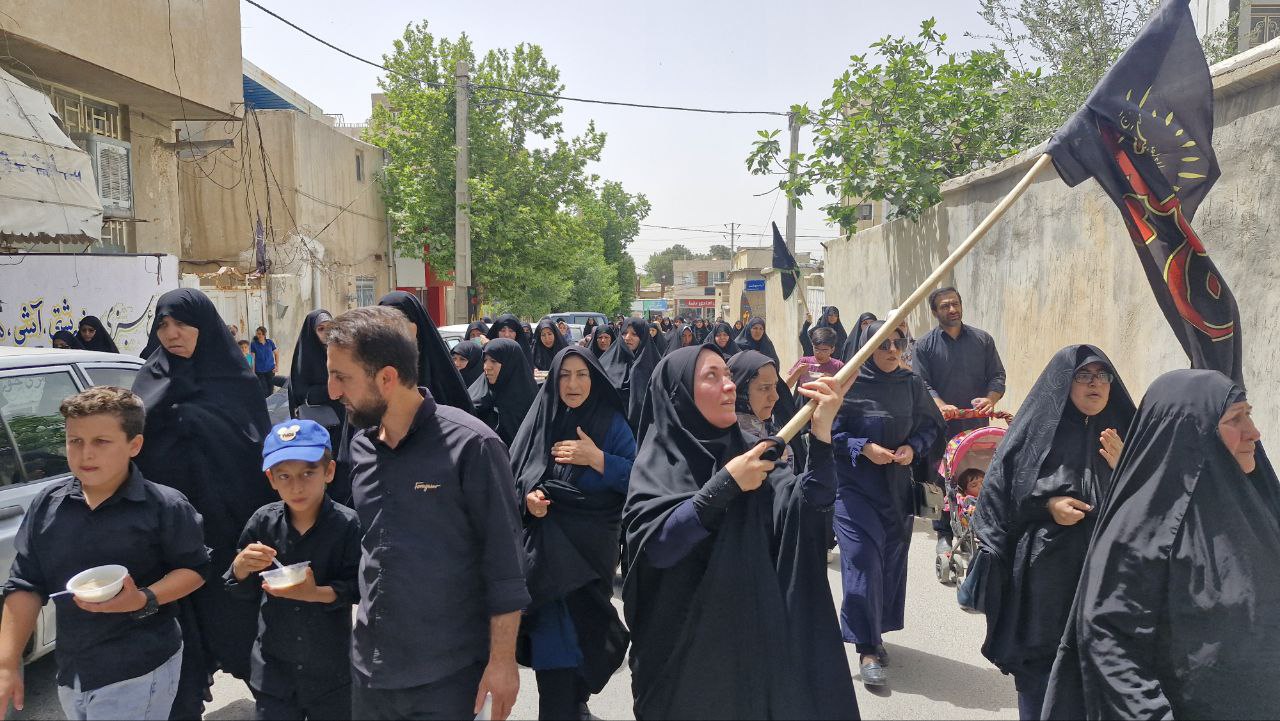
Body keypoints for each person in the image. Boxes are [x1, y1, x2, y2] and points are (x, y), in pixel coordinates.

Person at [621, 344, 859, 719]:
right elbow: (659, 548)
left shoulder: (754, 452)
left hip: (750, 650)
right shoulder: (656, 465)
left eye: (728, 375)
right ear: (679, 394)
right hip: (679, 661)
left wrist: (822, 432)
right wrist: (724, 485)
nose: (729, 385)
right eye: (711, 377)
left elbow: (806, 511)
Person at [324, 306, 530, 721]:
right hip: (371, 670)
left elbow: (506, 566)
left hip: (447, 677)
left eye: (341, 377)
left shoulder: (472, 446)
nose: (332, 391)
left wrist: (503, 661)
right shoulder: (361, 447)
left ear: (386, 378)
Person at [1043, 369, 1280, 720]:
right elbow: (1111, 647)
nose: (1253, 432)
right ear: (1192, 435)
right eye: (1235, 419)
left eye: (1249, 413)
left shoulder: (1259, 511)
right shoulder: (1140, 534)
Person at [0, 387, 208, 721]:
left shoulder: (164, 506)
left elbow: (195, 569)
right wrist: (7, 663)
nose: (86, 454)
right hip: (73, 670)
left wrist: (142, 598)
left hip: (138, 670)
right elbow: (26, 583)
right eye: (75, 441)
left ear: (134, 445)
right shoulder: (48, 505)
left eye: (101, 442)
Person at [971, 346, 1135, 719]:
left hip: (1106, 581)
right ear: (1064, 382)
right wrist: (1047, 507)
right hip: (1043, 581)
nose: (1095, 384)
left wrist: (1127, 468)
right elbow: (1000, 497)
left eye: (1102, 376)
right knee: (1040, 672)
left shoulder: (1125, 435)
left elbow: (1153, 509)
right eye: (1084, 376)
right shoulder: (1036, 433)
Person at [132, 288, 275, 715]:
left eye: (182, 324)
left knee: (244, 636)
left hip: (230, 535)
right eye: (163, 325)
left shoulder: (237, 383)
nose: (171, 334)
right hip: (170, 543)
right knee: (181, 647)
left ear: (205, 327)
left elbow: (256, 454)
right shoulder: (148, 383)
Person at [509, 347, 634, 720]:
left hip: (592, 555)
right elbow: (514, 478)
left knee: (584, 642)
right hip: (547, 560)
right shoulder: (542, 420)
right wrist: (529, 500)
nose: (573, 384)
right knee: (553, 652)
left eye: (581, 374)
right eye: (564, 375)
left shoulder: (611, 424)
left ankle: (575, 705)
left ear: (594, 379)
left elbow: (639, 478)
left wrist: (597, 459)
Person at [832, 321, 943, 688]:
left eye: (898, 343)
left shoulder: (911, 385)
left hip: (895, 491)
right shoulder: (848, 385)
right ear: (867, 348)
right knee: (862, 559)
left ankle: (875, 632)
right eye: (883, 344)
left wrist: (914, 447)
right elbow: (826, 430)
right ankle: (866, 648)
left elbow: (931, 426)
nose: (893, 350)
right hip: (853, 489)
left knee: (888, 564)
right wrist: (863, 448)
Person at [228, 420, 361, 721]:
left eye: (308, 473)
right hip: (274, 669)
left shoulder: (347, 525)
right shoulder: (263, 522)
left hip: (331, 671)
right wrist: (240, 568)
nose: (297, 486)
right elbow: (240, 590)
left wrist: (316, 593)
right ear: (271, 479)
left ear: (329, 471)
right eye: (284, 476)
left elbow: (359, 587)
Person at [913, 288, 1006, 437]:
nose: (952, 309)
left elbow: (997, 375)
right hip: (939, 428)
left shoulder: (983, 340)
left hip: (977, 428)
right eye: (945, 306)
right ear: (934, 312)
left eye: (955, 304)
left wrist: (990, 400)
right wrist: (942, 406)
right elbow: (921, 384)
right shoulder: (923, 345)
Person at [379, 292, 475, 415]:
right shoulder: (373, 369)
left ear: (417, 325)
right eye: (386, 325)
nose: (394, 332)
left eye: (399, 323)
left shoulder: (441, 372)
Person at [728, 350, 807, 468]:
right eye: (764, 388)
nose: (775, 397)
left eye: (775, 386)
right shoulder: (731, 444)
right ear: (741, 392)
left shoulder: (773, 425)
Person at [469, 338, 539, 447]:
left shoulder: (531, 404)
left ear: (510, 364)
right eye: (485, 360)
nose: (487, 367)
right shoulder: (475, 395)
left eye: (494, 361)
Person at [597, 318, 660, 432]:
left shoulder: (655, 366)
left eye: (634, 334)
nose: (627, 338)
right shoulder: (606, 363)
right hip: (612, 430)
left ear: (643, 336)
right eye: (624, 333)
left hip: (645, 431)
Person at [288, 310, 345, 436]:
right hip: (319, 425)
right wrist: (328, 391)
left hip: (344, 419)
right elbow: (299, 393)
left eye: (330, 328)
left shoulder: (341, 352)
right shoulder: (305, 357)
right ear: (312, 332)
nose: (327, 332)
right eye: (321, 329)